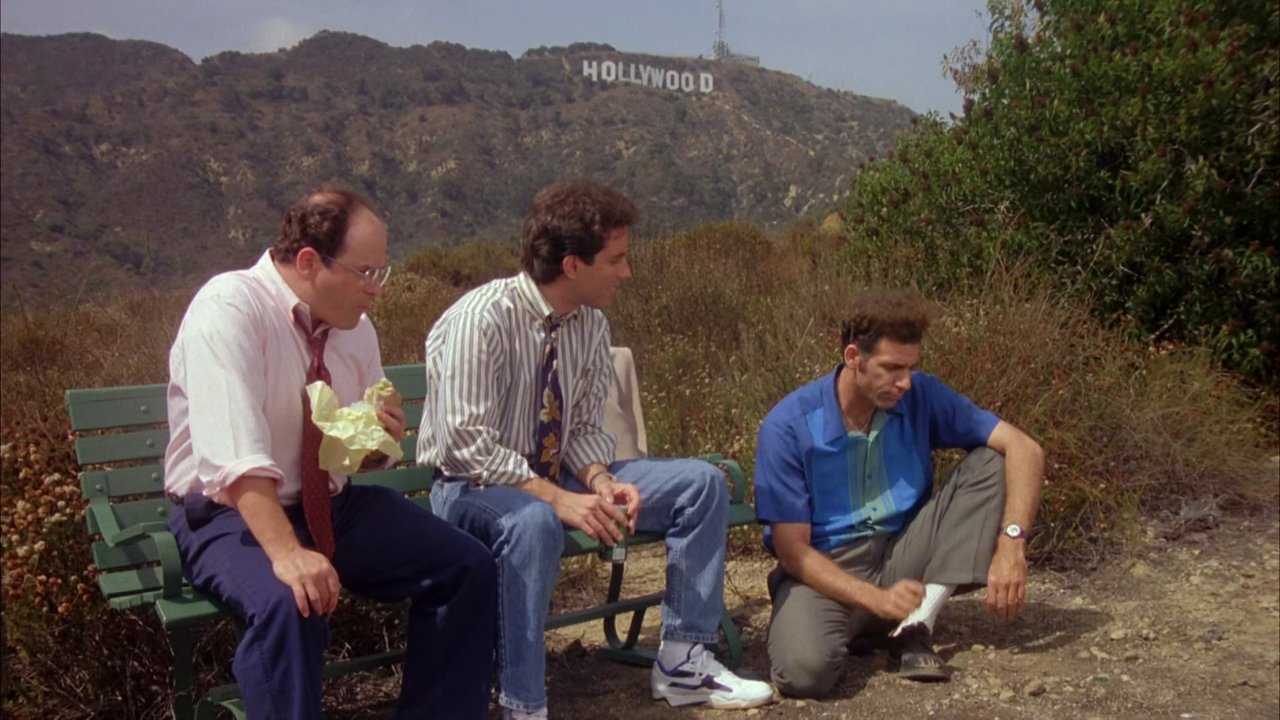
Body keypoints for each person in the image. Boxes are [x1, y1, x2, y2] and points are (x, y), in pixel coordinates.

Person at [417, 178, 776, 719]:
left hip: (550, 477)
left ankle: (682, 663)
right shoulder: (481, 319)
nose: (626, 273)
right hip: (473, 489)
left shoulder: (589, 325)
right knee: (532, 523)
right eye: (615, 260)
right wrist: (558, 500)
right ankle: (524, 705)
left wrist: (601, 481)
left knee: (700, 484)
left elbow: (581, 427)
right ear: (572, 265)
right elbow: (464, 445)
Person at [163, 186, 497, 719]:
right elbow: (234, 456)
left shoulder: (354, 331)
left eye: (381, 272)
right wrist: (287, 553)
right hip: (231, 513)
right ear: (308, 262)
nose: (376, 289)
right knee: (290, 602)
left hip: (328, 505)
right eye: (365, 272)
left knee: (466, 565)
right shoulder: (229, 309)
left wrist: (375, 442)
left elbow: (346, 452)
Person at [754, 288, 1044, 698]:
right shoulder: (789, 425)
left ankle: (915, 623)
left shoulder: (920, 394)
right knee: (804, 674)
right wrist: (872, 597)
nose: (905, 382)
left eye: (911, 367)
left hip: (903, 551)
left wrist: (1012, 544)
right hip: (823, 569)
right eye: (891, 368)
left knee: (992, 460)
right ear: (853, 357)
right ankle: (866, 621)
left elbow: (1025, 449)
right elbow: (793, 552)